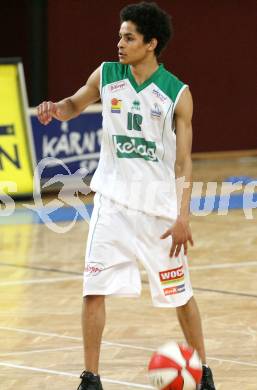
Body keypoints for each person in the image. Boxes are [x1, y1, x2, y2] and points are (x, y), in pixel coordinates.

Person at [37, 2, 216, 389]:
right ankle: (90, 377)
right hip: (112, 203)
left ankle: (203, 373)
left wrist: (183, 216)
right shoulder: (107, 75)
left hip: (158, 211)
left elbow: (184, 163)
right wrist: (57, 109)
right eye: (120, 35)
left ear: (150, 43)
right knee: (94, 288)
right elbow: (75, 103)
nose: (119, 43)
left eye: (128, 37)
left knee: (180, 295)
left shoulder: (177, 94)